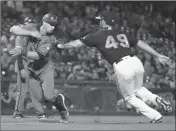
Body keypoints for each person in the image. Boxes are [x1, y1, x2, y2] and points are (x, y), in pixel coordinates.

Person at [57, 11, 172, 123]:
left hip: (122, 65)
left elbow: (75, 44)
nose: (100, 22)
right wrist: (158, 55)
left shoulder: (97, 35)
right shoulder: (122, 33)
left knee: (129, 97)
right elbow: (140, 43)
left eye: (101, 20)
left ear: (105, 22)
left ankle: (155, 116)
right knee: (137, 89)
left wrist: (61, 45)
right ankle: (157, 99)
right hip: (135, 61)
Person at [9, 13, 69, 123]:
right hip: (31, 68)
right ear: (44, 22)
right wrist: (30, 32)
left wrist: (22, 51)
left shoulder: (50, 38)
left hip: (45, 68)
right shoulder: (32, 27)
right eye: (51, 24)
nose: (53, 27)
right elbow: (13, 29)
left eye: (55, 25)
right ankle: (38, 113)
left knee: (49, 96)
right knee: (37, 96)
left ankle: (60, 105)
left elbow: (38, 56)